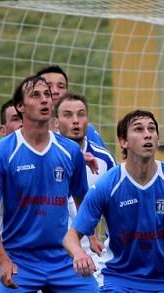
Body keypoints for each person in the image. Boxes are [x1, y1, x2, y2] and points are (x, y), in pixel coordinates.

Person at [64, 109, 164, 292]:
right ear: (123, 141)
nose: (147, 134)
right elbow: (72, 236)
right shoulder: (107, 185)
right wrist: (79, 253)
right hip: (118, 280)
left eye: (152, 129)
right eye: (139, 129)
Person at [0, 75, 97, 292]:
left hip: (62, 256)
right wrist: (3, 260)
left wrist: (90, 237)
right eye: (35, 95)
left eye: (47, 95)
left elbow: (84, 200)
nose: (44, 100)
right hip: (18, 259)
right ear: (20, 107)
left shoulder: (70, 151)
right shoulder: (1, 152)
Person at [53, 92, 116, 286]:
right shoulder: (44, 155)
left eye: (81, 114)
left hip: (91, 253)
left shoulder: (104, 160)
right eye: (68, 115)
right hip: (50, 253)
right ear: (56, 122)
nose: (75, 121)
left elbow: (115, 208)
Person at [36, 65, 105, 147]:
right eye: (49, 86)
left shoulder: (87, 130)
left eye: (61, 86)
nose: (55, 91)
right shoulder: (25, 132)